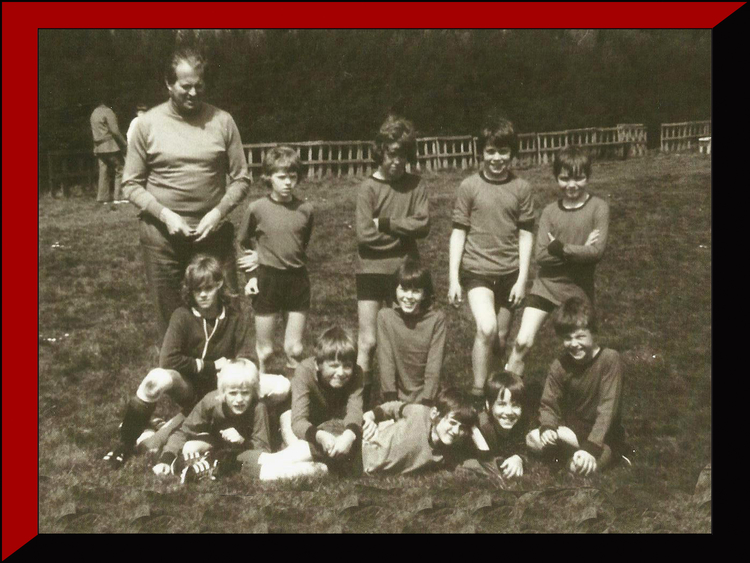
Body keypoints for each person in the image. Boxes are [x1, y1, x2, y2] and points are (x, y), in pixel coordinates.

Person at [103, 254, 289, 468]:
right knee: (156, 379)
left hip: (225, 388)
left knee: (281, 385)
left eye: (208, 288)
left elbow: (246, 356)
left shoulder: (235, 316)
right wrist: (209, 366)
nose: (202, 295)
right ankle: (124, 445)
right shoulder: (182, 316)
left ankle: (280, 432)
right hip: (189, 388)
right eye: (196, 290)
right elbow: (168, 359)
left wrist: (229, 370)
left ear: (219, 285)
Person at [122, 47, 251, 344]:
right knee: (172, 320)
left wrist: (217, 213)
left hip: (212, 235)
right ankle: (179, 383)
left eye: (199, 85)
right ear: (168, 85)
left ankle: (227, 386)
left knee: (226, 313)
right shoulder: (147, 124)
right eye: (185, 86)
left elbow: (242, 178)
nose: (194, 93)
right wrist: (165, 215)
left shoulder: (223, 121)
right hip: (162, 238)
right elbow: (130, 183)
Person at [447, 115, 534, 406]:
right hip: (477, 271)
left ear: (512, 153)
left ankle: (497, 397)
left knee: (500, 339)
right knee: (486, 328)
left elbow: (525, 235)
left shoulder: (521, 188)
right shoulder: (469, 187)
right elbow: (458, 232)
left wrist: (522, 279)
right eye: (491, 151)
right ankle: (476, 396)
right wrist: (453, 278)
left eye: (503, 151)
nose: (497, 158)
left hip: (510, 272)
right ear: (481, 152)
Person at [506, 146, 609, 376]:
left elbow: (597, 253)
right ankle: (507, 395)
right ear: (556, 178)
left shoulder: (599, 208)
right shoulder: (550, 212)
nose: (572, 185)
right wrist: (579, 251)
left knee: (581, 347)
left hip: (578, 288)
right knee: (522, 342)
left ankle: (585, 397)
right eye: (565, 179)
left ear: (588, 177)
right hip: (546, 286)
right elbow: (541, 256)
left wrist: (559, 248)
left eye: (579, 178)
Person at [356, 115, 430, 408]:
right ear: (380, 153)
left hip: (404, 272)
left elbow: (423, 225)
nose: (397, 161)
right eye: (391, 154)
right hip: (370, 271)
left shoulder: (416, 184)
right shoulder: (368, 188)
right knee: (369, 342)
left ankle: (408, 401)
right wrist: (403, 232)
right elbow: (364, 236)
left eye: (403, 155)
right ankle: (360, 406)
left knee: (404, 339)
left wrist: (384, 224)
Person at [526, 297, 627, 476]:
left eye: (580, 336)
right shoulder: (560, 365)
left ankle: (611, 454)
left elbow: (607, 410)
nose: (574, 344)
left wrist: (591, 447)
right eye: (567, 338)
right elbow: (549, 403)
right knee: (532, 438)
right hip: (573, 432)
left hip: (602, 436)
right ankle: (575, 455)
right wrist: (548, 427)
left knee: (578, 469)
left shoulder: (609, 359)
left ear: (593, 333)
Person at [236, 146, 313, 374]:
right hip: (268, 280)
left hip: (297, 280)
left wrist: (274, 252)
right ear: (268, 177)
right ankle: (261, 394)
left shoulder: (306, 209)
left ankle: (295, 397)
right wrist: (251, 276)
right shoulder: (257, 208)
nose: (288, 182)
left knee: (295, 348)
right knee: (265, 350)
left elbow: (301, 243)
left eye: (292, 176)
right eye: (281, 177)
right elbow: (241, 242)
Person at [255, 327, 362, 480]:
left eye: (347, 366)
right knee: (297, 446)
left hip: (328, 423)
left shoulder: (358, 373)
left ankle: (280, 470)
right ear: (318, 364)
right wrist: (319, 436)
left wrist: (349, 436)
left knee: (345, 442)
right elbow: (298, 421)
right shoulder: (304, 371)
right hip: (297, 418)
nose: (341, 372)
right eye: (334, 366)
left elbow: (355, 411)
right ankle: (266, 463)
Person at [152, 359, 272, 482]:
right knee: (189, 447)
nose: (239, 399)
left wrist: (242, 441)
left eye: (245, 393)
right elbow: (183, 432)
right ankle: (195, 464)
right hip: (216, 444)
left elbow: (263, 449)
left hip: (243, 449)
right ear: (223, 392)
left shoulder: (258, 408)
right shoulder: (211, 402)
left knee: (260, 460)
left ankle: (206, 466)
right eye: (233, 393)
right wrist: (166, 459)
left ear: (254, 392)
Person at [359, 387, 476, 475]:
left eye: (462, 428)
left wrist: (474, 430)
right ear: (435, 414)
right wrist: (371, 415)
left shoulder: (448, 452)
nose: (456, 431)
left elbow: (486, 469)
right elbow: (395, 407)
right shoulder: (420, 413)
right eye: (452, 423)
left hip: (372, 471)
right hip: (362, 449)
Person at [376, 258, 446, 406]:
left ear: (425, 294)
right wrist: (391, 403)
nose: (408, 296)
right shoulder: (385, 317)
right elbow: (386, 362)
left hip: (428, 399)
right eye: (404, 289)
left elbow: (434, 365)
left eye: (415, 291)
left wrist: (427, 402)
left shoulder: (436, 319)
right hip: (395, 399)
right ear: (395, 289)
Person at [460, 370, 529, 481]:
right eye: (502, 404)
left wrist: (519, 458)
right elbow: (486, 463)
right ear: (488, 405)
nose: (509, 411)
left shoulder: (521, 424)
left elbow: (523, 448)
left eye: (515, 405)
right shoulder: (482, 427)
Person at [90, 98, 128, 203]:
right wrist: (124, 143)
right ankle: (118, 196)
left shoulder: (94, 113)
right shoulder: (108, 112)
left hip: (99, 147)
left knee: (103, 171)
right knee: (121, 168)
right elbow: (115, 131)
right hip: (110, 146)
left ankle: (103, 198)